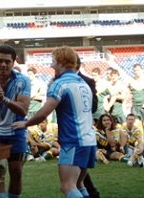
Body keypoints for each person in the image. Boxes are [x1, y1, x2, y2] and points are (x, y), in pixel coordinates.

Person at [13, 46, 97, 198]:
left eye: (53, 62)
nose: (51, 65)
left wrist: (25, 124)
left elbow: (45, 112)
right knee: (79, 184)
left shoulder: (60, 84)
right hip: (89, 140)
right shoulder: (83, 83)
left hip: (73, 141)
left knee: (67, 186)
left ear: (61, 62)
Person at [0, 44, 31, 198]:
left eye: (7, 61)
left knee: (16, 172)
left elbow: (23, 109)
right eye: (0, 61)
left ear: (14, 63)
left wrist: (4, 99)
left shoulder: (23, 81)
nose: (3, 65)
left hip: (16, 132)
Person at [76, 56, 100, 198]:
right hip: (69, 130)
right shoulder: (58, 79)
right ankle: (91, 193)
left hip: (81, 130)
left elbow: (94, 106)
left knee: (71, 178)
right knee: (77, 172)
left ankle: (92, 193)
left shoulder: (88, 81)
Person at [128, 63, 144, 128]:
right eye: (135, 70)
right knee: (136, 125)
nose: (136, 72)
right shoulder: (131, 81)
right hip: (135, 107)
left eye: (138, 70)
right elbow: (127, 93)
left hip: (143, 105)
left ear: (142, 70)